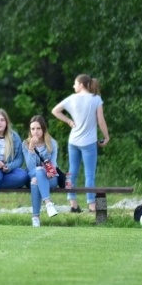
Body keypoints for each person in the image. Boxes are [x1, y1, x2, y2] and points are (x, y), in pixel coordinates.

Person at [51, 74, 110, 213]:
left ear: (81, 85)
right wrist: (106, 137)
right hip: (89, 142)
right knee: (90, 175)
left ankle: (73, 204)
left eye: (75, 83)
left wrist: (69, 121)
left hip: (73, 141)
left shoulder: (72, 98)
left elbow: (55, 111)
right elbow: (101, 121)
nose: (73, 86)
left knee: (71, 172)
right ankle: (91, 205)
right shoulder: (96, 99)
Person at [22, 115, 60, 227]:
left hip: (50, 178)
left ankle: (35, 217)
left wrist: (50, 172)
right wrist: (31, 148)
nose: (35, 132)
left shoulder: (52, 143)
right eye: (33, 129)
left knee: (35, 181)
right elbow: (30, 167)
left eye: (38, 128)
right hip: (33, 174)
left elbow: (54, 164)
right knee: (37, 173)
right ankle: (48, 204)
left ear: (43, 129)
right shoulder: (25, 144)